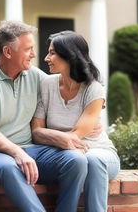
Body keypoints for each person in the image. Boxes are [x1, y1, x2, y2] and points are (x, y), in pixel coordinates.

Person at [0, 21, 97, 212]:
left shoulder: (36, 76)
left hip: (31, 151)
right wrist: (18, 153)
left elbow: (65, 92)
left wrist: (90, 116)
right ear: (8, 52)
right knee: (9, 166)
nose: (34, 55)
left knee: (75, 160)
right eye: (28, 49)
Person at [31, 30, 120, 212]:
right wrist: (50, 135)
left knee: (93, 160)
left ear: (70, 56)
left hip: (100, 153)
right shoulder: (47, 84)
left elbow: (74, 138)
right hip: (69, 158)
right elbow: (36, 132)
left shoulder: (94, 88)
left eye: (52, 53)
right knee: (78, 159)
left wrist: (48, 134)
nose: (47, 58)